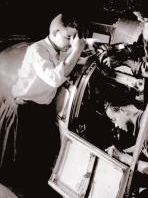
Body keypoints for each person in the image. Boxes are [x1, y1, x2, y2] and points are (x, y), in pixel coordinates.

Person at [2, 13, 95, 197]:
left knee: (42, 158)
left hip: (41, 110)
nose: (71, 42)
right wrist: (76, 50)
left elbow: (67, 64)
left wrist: (86, 49)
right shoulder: (38, 50)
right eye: (68, 37)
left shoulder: (58, 50)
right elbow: (54, 78)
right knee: (21, 163)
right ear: (54, 32)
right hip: (23, 111)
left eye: (74, 38)